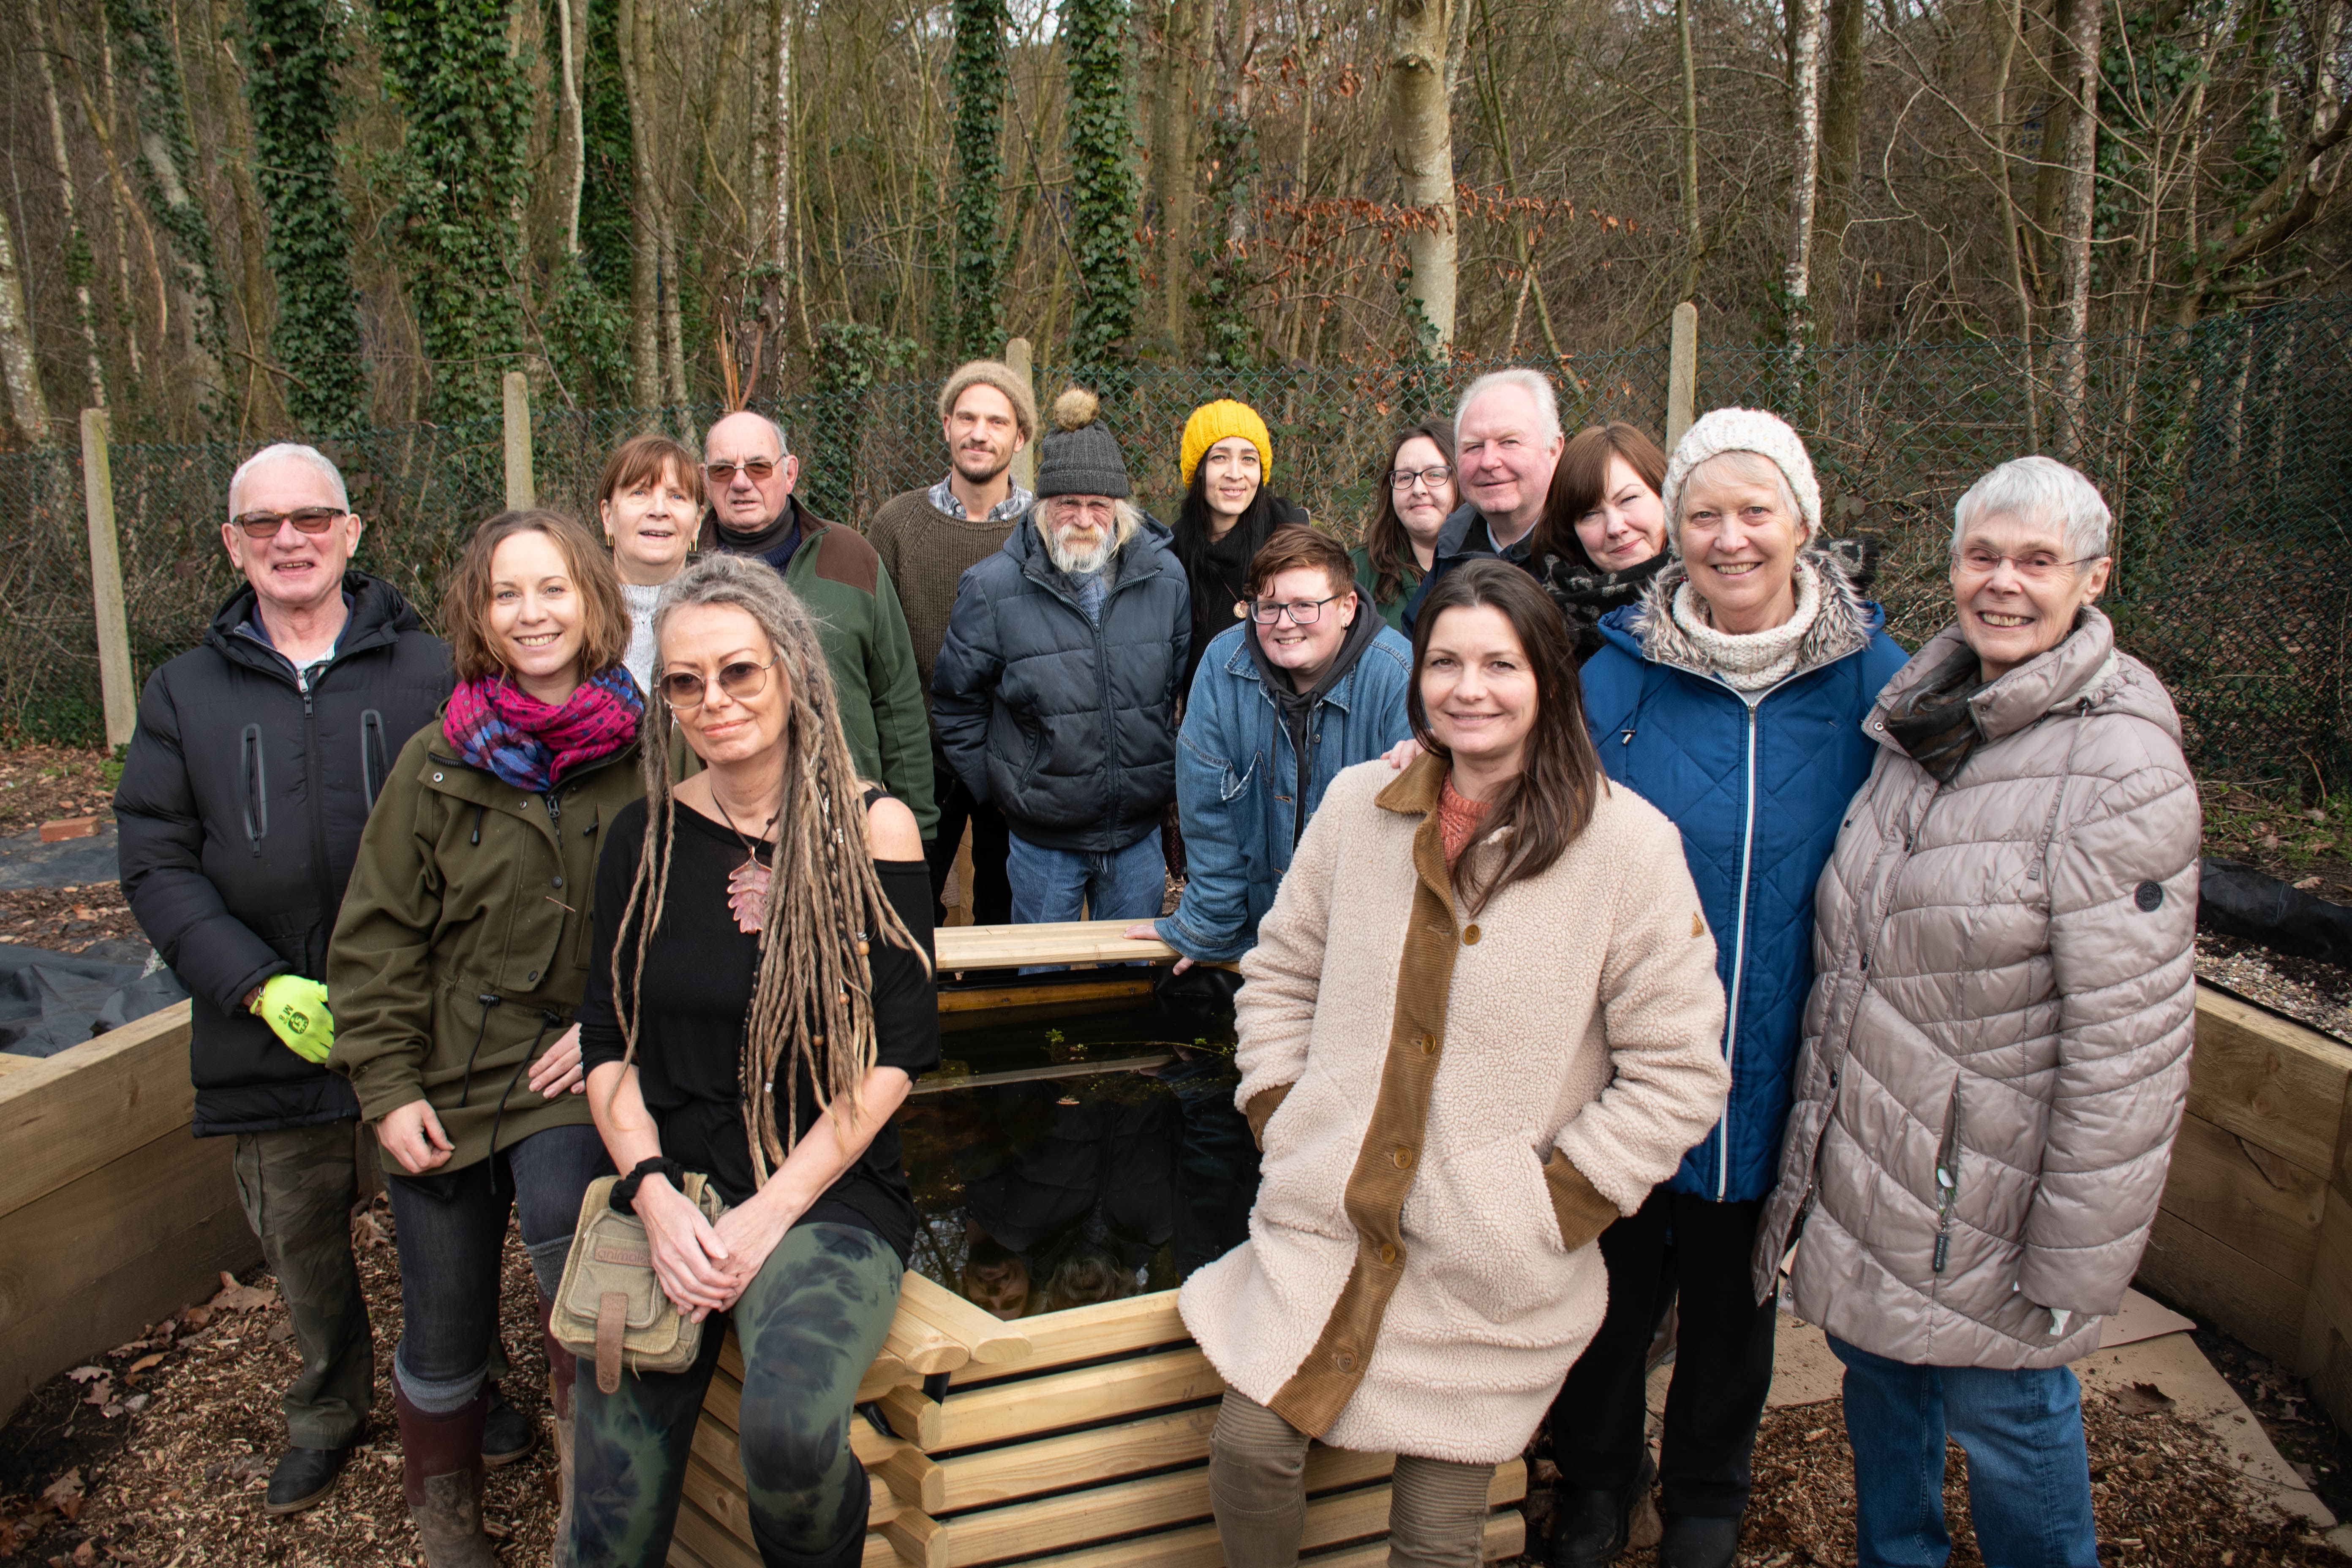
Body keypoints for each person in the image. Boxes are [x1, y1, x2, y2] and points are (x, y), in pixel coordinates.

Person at [1181, 559, 1731, 1568]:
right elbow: (1281, 970)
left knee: (1436, 1537)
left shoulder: (1628, 849)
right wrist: (1279, 1107)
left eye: (1498, 664)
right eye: (1444, 662)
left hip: (1489, 1256)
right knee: (1248, 1451)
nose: (1467, 688)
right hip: (1327, 1228)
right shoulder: (1360, 805)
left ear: (1548, 679)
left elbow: (1680, 1068)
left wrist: (1555, 1204)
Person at [1755, 456, 2198, 1568]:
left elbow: (2131, 1051)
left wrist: (2074, 1262)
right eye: (1983, 556)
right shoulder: (1925, 717)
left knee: (2008, 1420)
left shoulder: (2120, 770)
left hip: (1987, 1196)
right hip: (1882, 1159)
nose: (2004, 583)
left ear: (2092, 581)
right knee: (1881, 1382)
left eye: (2038, 562)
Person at [1556, 408, 1910, 1568]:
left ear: (1805, 522)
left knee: (1731, 1308)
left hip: (1778, 1062)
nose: (1730, 537)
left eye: (1757, 511)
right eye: (1704, 513)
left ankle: (1708, 1495)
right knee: (1604, 1302)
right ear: (1675, 530)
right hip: (1623, 1064)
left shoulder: (1880, 688)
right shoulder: (1617, 679)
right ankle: (1600, 1481)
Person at [570, 552, 939, 1568]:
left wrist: (768, 1211)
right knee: (603, 1516)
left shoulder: (872, 829)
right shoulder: (641, 837)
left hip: (823, 1194)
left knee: (787, 1435)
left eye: (737, 672)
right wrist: (652, 1195)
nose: (712, 700)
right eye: (684, 682)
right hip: (675, 1189)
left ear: (789, 667)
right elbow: (609, 1043)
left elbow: (899, 1048)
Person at [113, 442, 455, 1516]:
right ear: (233, 544)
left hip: (417, 1013)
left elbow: (481, 833)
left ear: (354, 532)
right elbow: (153, 856)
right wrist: (254, 986)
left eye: (313, 518)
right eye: (264, 525)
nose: (290, 540)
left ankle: (451, 1388)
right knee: (299, 1234)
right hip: (265, 1023)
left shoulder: (431, 670)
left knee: (441, 1213)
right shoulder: (183, 692)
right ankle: (328, 1405)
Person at [328, 509, 646, 1567]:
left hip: (573, 1065)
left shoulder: (652, 747)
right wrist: (387, 1087)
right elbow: (374, 943)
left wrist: (612, 1029)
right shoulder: (437, 760)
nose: (533, 612)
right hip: (443, 1071)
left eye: (553, 588)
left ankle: (583, 1507)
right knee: (444, 1311)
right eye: (508, 593)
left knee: (574, 1248)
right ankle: (447, 1521)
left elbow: (677, 926)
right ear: (478, 611)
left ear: (593, 600)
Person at [933, 387, 1191, 929]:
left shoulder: (1166, 579)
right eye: (1066, 503)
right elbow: (956, 704)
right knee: (1040, 979)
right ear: (1042, 506)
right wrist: (1003, 789)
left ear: (1120, 509)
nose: (1082, 518)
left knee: (1129, 981)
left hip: (1136, 835)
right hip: (1042, 840)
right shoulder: (992, 587)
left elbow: (1172, 687)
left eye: (1098, 504)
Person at [1122, 525, 1413, 969]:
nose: (1284, 623)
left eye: (1304, 606)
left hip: (1367, 942)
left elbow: (1405, 837)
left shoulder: (1398, 677)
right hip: (1259, 929)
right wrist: (1207, 928)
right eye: (1269, 607)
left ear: (1347, 607)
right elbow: (1208, 813)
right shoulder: (1223, 665)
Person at [696, 409, 936, 840]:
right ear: (705, 480)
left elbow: (897, 697)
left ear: (789, 473)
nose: (740, 482)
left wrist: (917, 826)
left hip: (849, 817)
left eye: (758, 466)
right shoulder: (687, 580)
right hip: (729, 829)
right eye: (722, 470)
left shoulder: (851, 556)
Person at [866, 361, 1038, 926]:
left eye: (996, 420)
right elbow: (872, 644)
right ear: (945, 426)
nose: (979, 432)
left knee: (1006, 915)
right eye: (966, 417)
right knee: (904, 911)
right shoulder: (895, 525)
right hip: (920, 755)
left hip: (1020, 757)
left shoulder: (1046, 528)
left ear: (1020, 436)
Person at [1399, 369, 1566, 631]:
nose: (1488, 461)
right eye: (1474, 446)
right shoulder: (1453, 544)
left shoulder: (1587, 545)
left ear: (1553, 450)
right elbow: (1414, 643)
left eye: (1509, 442)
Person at [1172, 397, 1309, 691]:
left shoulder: (1291, 538)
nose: (1236, 474)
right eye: (1220, 457)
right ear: (1198, 470)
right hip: (1205, 722)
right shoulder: (1174, 553)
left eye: (1249, 459)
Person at [1531, 423, 1673, 664]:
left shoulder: (1716, 595)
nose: (1616, 528)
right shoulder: (1541, 623)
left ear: (1666, 494)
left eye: (1629, 499)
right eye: (1590, 514)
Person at [598, 433, 702, 693]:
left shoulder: (725, 613)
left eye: (677, 496)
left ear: (697, 524)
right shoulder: (574, 615)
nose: (659, 510)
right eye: (640, 492)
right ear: (608, 516)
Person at [1351, 421, 1457, 632]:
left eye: (1434, 474)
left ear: (1459, 479)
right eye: (1406, 477)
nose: (1418, 489)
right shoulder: (1360, 568)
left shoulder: (1490, 560)